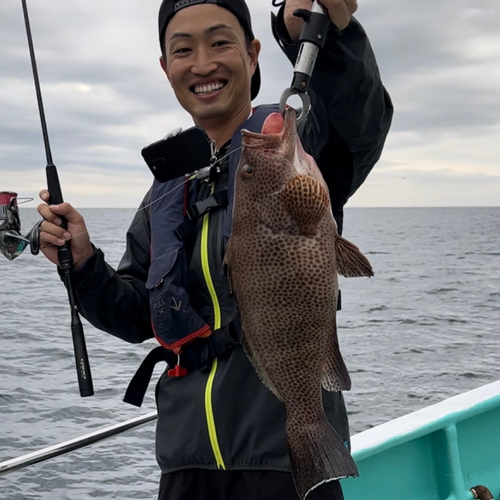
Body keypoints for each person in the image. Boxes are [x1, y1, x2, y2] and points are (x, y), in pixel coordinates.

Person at [37, 0, 393, 498]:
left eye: (220, 42)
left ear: (252, 54)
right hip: (186, 464)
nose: (202, 63)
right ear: (166, 68)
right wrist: (83, 263)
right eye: (183, 49)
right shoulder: (165, 192)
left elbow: (359, 119)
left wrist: (327, 34)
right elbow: (138, 314)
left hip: (280, 461)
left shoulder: (296, 143)